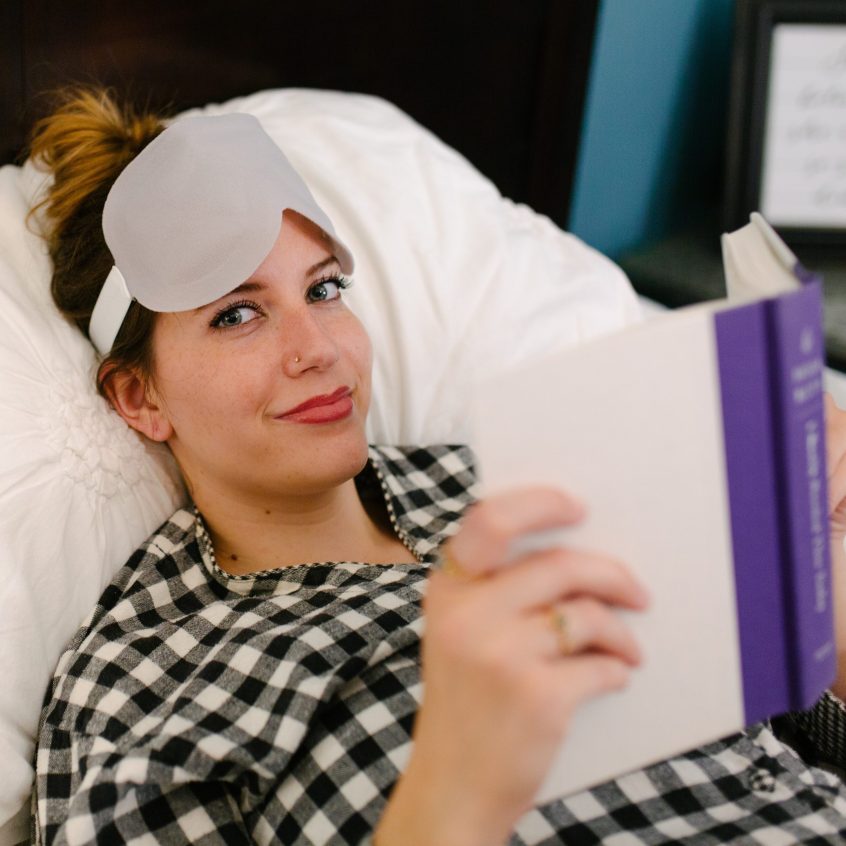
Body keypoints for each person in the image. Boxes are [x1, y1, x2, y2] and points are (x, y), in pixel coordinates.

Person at [29, 87, 846, 846]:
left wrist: (822, 560)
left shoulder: (526, 481)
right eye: (239, 314)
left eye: (324, 290)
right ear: (139, 397)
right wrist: (453, 788)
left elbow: (791, 722)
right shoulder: (143, 681)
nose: (318, 349)